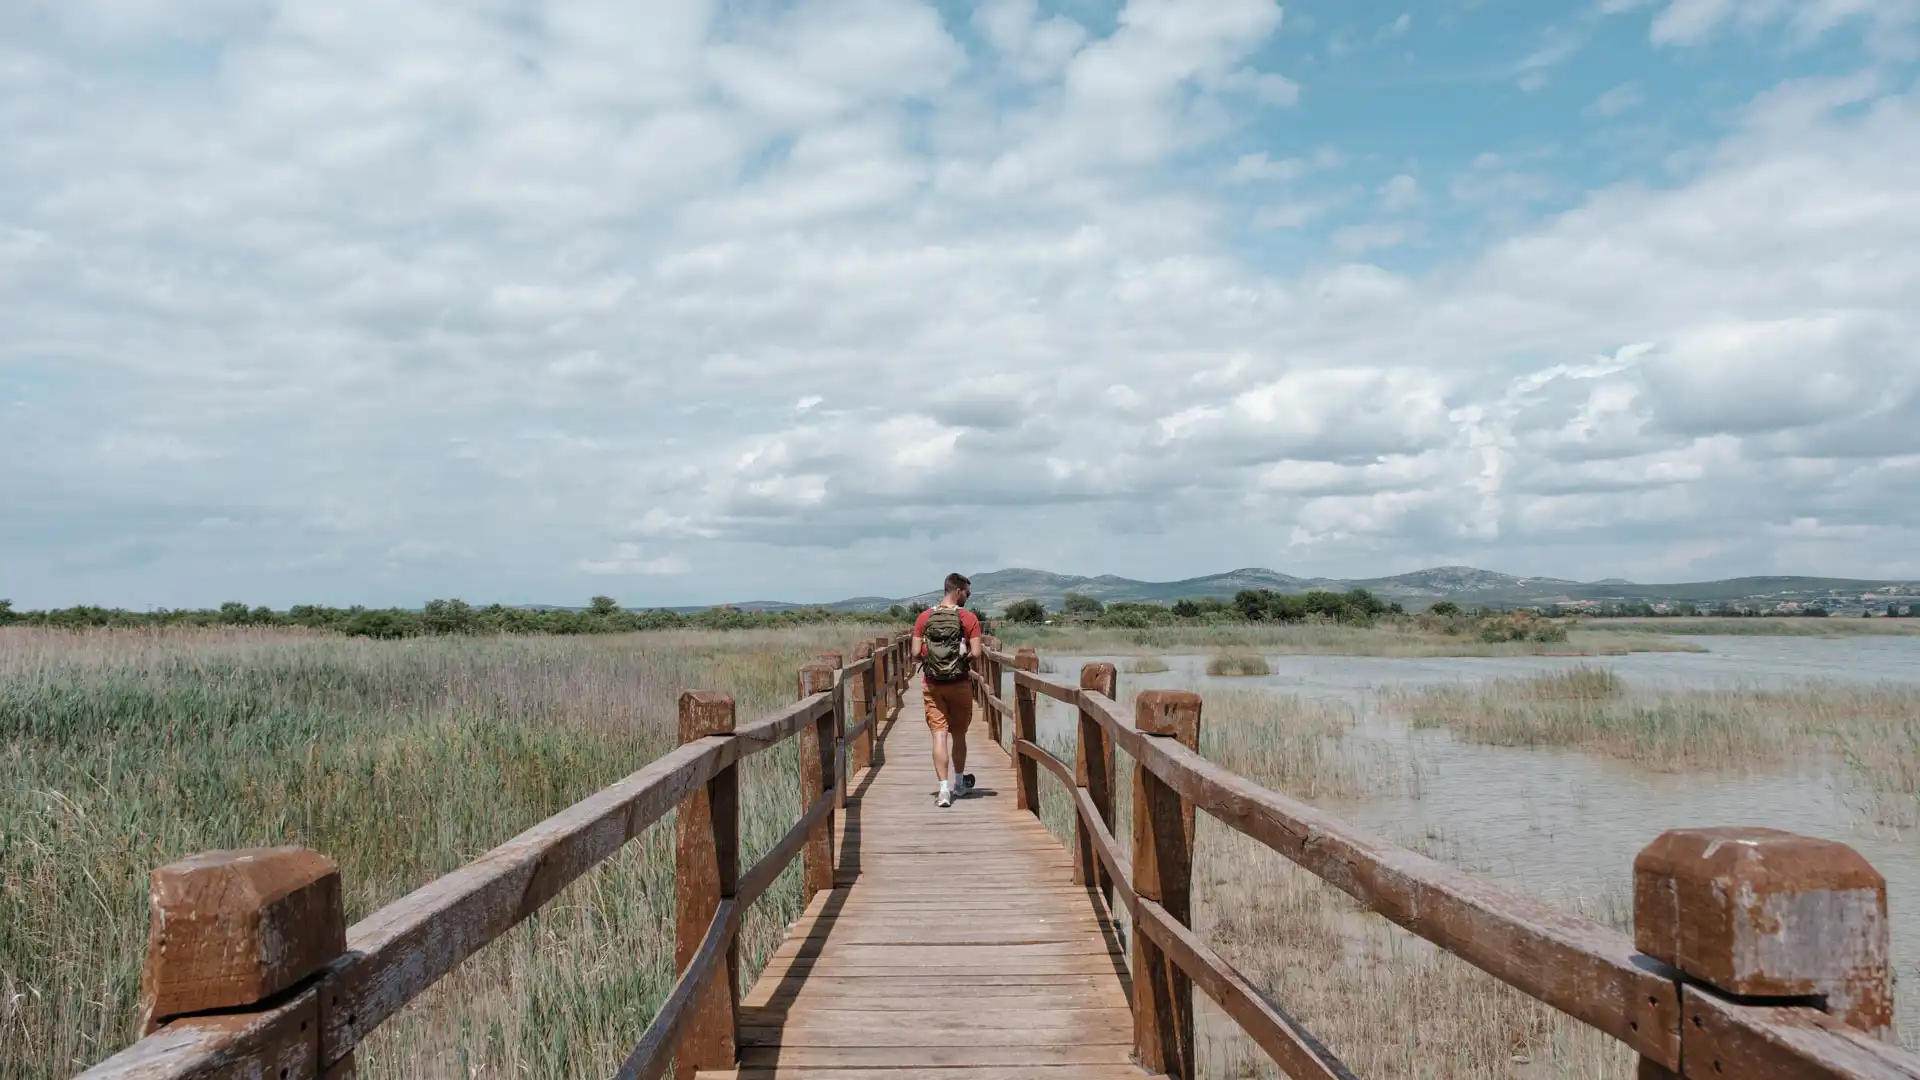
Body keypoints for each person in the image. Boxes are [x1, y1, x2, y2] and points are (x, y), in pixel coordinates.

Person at [912, 572, 983, 808]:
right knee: (959, 734)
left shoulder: (924, 617)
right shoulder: (968, 618)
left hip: (932, 684)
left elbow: (914, 654)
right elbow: (976, 653)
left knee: (939, 734)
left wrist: (931, 658)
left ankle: (943, 790)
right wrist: (961, 659)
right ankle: (960, 784)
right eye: (967, 593)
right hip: (960, 682)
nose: (968, 597)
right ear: (958, 591)